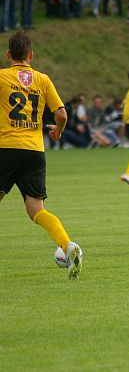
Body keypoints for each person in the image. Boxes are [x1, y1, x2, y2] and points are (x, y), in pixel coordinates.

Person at [0, 30, 83, 278]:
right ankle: (67, 244)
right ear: (31, 55)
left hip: (7, 148)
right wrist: (58, 130)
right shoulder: (43, 79)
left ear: (8, 54)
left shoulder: (2, 77)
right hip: (35, 151)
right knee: (36, 209)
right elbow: (62, 114)